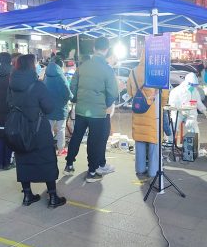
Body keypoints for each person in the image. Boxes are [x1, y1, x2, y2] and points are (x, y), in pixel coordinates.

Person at [9, 54, 66, 208]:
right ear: (31, 66)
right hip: (38, 128)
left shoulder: (12, 84)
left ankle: (27, 195)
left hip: (20, 129)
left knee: (23, 159)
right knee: (46, 160)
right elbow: (49, 107)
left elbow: (9, 103)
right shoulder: (38, 85)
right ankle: (53, 197)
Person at [65, 38, 118, 182]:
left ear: (94, 48)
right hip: (98, 113)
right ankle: (92, 172)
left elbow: (72, 87)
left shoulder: (82, 66)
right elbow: (113, 93)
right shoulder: (107, 70)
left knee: (76, 137)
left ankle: (69, 164)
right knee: (94, 141)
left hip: (81, 109)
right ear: (106, 49)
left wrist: (76, 99)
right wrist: (104, 104)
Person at [127, 53, 169, 178]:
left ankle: (140, 169)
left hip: (138, 110)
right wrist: (161, 104)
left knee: (139, 140)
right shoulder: (157, 71)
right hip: (153, 112)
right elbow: (164, 94)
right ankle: (153, 171)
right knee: (153, 141)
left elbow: (129, 92)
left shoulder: (133, 71)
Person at [43, 57, 73, 156]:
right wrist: (71, 97)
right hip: (60, 107)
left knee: (48, 129)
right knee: (61, 129)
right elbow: (67, 93)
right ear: (60, 66)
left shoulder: (46, 74)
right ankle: (60, 150)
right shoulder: (61, 76)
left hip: (48, 106)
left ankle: (49, 149)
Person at [168, 72, 207, 137]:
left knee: (194, 130)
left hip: (190, 114)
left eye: (194, 85)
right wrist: (179, 108)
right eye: (192, 85)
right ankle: (169, 143)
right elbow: (172, 104)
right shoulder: (176, 91)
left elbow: (198, 102)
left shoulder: (195, 91)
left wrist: (204, 110)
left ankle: (193, 145)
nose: (193, 87)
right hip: (178, 113)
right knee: (173, 126)